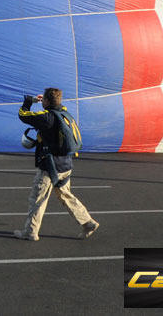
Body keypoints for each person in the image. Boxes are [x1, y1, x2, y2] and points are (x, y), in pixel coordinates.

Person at [14, 87, 99, 241]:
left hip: (49, 166)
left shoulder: (47, 117)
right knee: (66, 196)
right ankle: (88, 222)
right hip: (65, 164)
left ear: (46, 101)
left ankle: (30, 232)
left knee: (38, 199)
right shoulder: (64, 112)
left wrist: (28, 101)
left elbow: (23, 115)